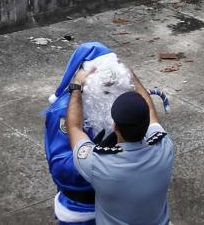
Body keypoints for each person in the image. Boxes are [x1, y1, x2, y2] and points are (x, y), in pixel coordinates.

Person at [65, 65, 176, 225]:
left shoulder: (98, 164)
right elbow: (151, 111)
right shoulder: (165, 146)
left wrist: (77, 86)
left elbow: (74, 127)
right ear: (147, 125)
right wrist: (131, 76)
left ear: (115, 127)